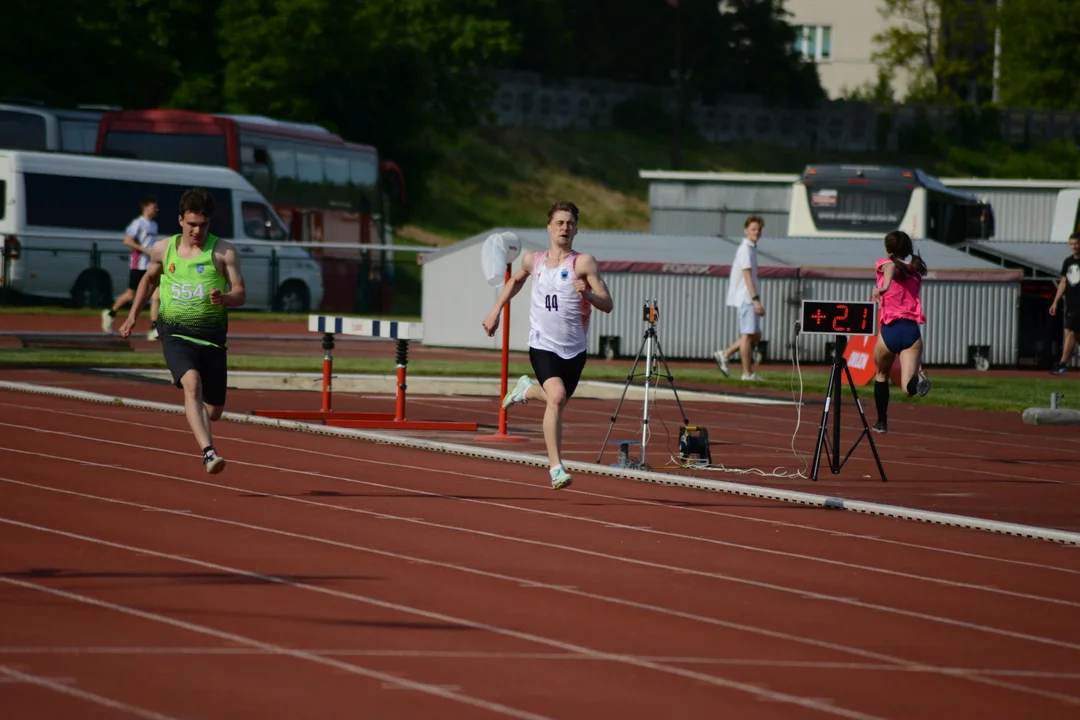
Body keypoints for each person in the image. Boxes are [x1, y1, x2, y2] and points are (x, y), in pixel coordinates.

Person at [482, 201, 614, 489]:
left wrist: (589, 296)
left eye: (570, 223)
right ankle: (556, 467)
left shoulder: (583, 263)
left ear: (576, 229)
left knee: (559, 398)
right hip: (542, 343)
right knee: (556, 397)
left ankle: (526, 390)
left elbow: (608, 304)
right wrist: (495, 311)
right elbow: (516, 281)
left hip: (575, 349)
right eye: (559, 223)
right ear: (549, 228)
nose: (564, 227)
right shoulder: (533, 260)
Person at [119, 188, 246, 474]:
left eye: (203, 225)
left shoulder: (224, 252)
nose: (197, 230)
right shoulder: (163, 249)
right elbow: (148, 281)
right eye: (191, 225)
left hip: (212, 340)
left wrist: (225, 298)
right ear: (180, 220)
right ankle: (209, 453)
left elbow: (240, 292)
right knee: (192, 384)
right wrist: (132, 317)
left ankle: (194, 405)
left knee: (213, 412)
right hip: (175, 333)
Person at [869, 230, 931, 434]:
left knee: (881, 374)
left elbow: (890, 269)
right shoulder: (915, 271)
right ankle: (917, 382)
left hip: (890, 330)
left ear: (888, 249)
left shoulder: (886, 264)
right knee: (907, 389)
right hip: (911, 332)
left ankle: (881, 422)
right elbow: (897, 268)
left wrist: (884, 288)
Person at [713, 215, 765, 381]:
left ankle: (725, 354)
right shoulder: (744, 249)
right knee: (747, 335)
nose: (756, 232)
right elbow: (747, 276)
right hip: (746, 298)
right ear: (746, 230)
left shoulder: (751, 248)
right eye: (753, 229)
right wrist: (755, 299)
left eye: (758, 229)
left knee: (755, 335)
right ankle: (747, 373)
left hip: (749, 298)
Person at [102, 196, 161, 339]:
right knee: (131, 295)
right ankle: (110, 313)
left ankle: (154, 328)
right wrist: (145, 250)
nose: (156, 210)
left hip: (151, 265)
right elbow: (127, 241)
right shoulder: (138, 223)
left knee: (156, 296)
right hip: (138, 265)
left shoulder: (154, 225)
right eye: (154, 207)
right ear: (145, 207)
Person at [1048, 232, 1080, 375]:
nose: (1074, 246)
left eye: (1076, 243)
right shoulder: (1068, 261)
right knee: (1071, 332)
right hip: (1070, 302)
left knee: (1070, 331)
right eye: (1071, 244)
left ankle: (1062, 364)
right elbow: (1063, 282)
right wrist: (1055, 301)